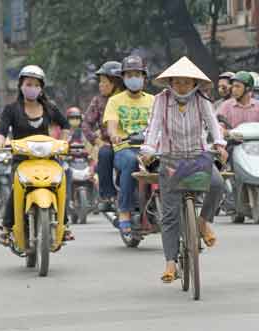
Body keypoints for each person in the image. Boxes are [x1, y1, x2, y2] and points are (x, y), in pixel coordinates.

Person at [140, 56, 227, 283]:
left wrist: (219, 144)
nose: (182, 87)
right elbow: (154, 127)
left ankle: (202, 221)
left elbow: (213, 125)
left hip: (198, 156)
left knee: (218, 185)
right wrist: (148, 149)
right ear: (170, 82)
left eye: (186, 82)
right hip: (170, 158)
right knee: (169, 215)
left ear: (194, 83)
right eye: (177, 82)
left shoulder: (202, 100)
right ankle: (170, 263)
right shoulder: (161, 100)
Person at [0, 65, 72, 245]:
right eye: (28, 84)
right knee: (16, 187)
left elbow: (66, 126)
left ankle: (65, 225)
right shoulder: (11, 109)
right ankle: (7, 228)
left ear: (41, 88)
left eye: (36, 85)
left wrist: (63, 141)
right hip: (22, 159)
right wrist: (0, 141)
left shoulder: (49, 108)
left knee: (59, 184)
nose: (32, 88)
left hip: (47, 158)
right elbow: (2, 131)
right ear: (21, 85)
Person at [103, 55, 155, 235]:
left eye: (137, 74)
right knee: (132, 162)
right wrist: (115, 135)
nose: (134, 78)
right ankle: (124, 211)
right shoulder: (115, 101)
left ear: (144, 77)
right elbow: (111, 126)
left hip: (151, 148)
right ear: (123, 78)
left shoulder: (154, 100)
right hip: (125, 148)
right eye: (129, 74)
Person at [83, 61, 124, 212]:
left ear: (116, 82)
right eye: (100, 82)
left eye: (104, 82)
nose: (100, 85)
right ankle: (107, 195)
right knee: (105, 154)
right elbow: (86, 124)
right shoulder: (98, 100)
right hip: (109, 144)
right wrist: (97, 141)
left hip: (133, 143)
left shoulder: (130, 97)